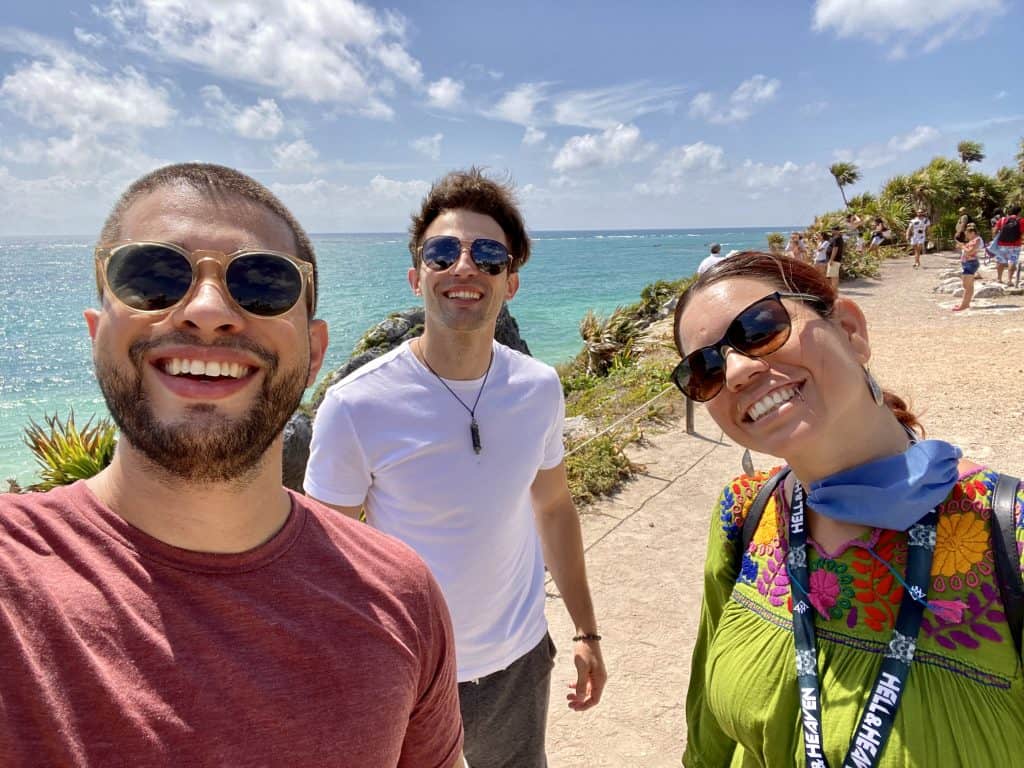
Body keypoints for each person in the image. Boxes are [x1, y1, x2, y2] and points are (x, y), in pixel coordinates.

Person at [0, 163, 465, 767]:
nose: (209, 309)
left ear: (315, 352)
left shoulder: (399, 595)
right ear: (96, 333)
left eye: (265, 284)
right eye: (153, 277)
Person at [672, 251, 1024, 767]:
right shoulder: (745, 512)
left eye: (760, 327)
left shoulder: (1008, 532)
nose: (739, 371)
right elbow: (708, 735)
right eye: (705, 368)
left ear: (850, 330)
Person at [305, 168, 606, 768]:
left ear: (510, 283)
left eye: (488, 255)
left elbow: (552, 507)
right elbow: (321, 558)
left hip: (517, 661)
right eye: (443, 252)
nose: (464, 267)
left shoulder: (539, 388)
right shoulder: (356, 404)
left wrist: (586, 632)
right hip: (405, 667)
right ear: (418, 277)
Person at [953, 223, 985, 312]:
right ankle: (965, 304)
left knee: (967, 286)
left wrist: (962, 246)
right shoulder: (973, 240)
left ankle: (964, 305)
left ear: (972, 233)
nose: (966, 236)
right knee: (967, 285)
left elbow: (970, 252)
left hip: (971, 263)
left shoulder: (977, 240)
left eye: (967, 233)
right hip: (968, 263)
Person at [991, 204, 1022, 285]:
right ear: (1019, 212)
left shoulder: (1002, 220)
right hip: (1015, 245)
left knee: (1000, 261)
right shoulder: (1021, 221)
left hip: (1002, 244)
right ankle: (1009, 280)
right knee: (1012, 261)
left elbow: (994, 231)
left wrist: (995, 239)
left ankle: (999, 279)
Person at [825, 225, 844, 289]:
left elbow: (835, 249)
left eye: (832, 230)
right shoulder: (837, 238)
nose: (831, 231)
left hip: (834, 260)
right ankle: (835, 290)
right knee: (834, 276)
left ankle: (834, 291)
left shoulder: (837, 238)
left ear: (835, 231)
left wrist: (831, 259)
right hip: (835, 260)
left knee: (833, 276)